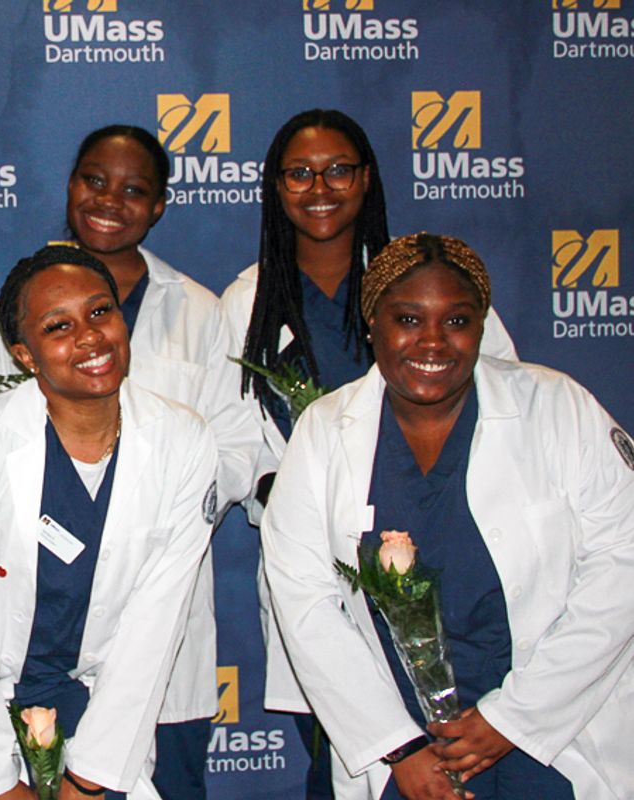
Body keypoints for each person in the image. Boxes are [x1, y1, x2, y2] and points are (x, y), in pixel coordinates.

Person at [260, 232, 634, 800]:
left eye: (456, 322)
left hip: (550, 732)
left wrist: (514, 719)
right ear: (372, 324)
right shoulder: (325, 432)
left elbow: (622, 564)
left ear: (481, 327)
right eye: (407, 319)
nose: (431, 341)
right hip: (405, 750)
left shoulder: (559, 408)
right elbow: (304, 601)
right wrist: (399, 746)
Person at [220, 109, 517, 798]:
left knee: (478, 745)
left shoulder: (426, 285)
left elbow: (503, 399)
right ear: (273, 185)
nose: (319, 186)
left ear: (366, 178)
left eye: (338, 169)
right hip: (316, 572)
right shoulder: (245, 301)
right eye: (299, 172)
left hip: (456, 558)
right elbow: (229, 438)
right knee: (355, 758)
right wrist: (282, 485)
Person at [0, 126, 261, 798]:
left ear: (160, 206)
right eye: (94, 180)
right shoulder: (21, 302)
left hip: (164, 617)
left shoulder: (198, 309)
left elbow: (237, 448)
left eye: (135, 190)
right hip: (42, 624)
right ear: (70, 184)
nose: (111, 199)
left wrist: (152, 510)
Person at [0, 244, 218, 800]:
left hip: (99, 713)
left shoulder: (182, 441)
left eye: (101, 312)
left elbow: (155, 624)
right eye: (58, 326)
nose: (90, 336)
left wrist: (88, 780)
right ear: (24, 354)